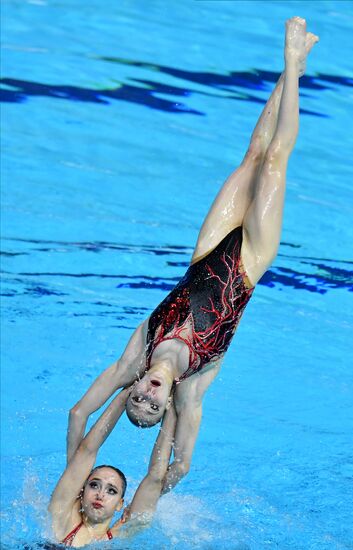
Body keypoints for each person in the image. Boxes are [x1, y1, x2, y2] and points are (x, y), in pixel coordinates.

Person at [67, 18, 319, 494]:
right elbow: (179, 468)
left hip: (205, 252)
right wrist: (143, 497)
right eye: (152, 407)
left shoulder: (134, 358)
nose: (145, 398)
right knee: (277, 159)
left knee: (251, 156)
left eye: (136, 401)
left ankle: (295, 71)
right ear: (164, 408)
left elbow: (78, 412)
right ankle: (290, 59)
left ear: (133, 391)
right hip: (248, 264)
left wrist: (75, 479)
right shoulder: (195, 387)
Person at [49, 387, 176, 546]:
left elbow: (155, 477)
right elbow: (86, 451)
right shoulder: (61, 520)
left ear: (119, 505)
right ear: (81, 492)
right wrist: (125, 396)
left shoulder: (121, 536)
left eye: (111, 491)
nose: (100, 495)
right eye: (94, 485)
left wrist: (171, 410)